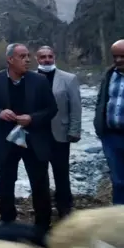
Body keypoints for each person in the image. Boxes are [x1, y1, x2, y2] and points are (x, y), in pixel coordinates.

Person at [0, 43, 57, 232]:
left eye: (28, 56)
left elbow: (52, 109)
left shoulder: (39, 81)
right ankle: (7, 221)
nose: (27, 60)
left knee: (39, 182)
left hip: (34, 139)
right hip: (6, 140)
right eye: (22, 56)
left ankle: (43, 225)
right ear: (10, 60)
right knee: (5, 181)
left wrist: (32, 118)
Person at [35, 45, 82, 218]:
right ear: (36, 59)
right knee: (39, 175)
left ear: (54, 57)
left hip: (60, 133)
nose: (46, 59)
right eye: (42, 57)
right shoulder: (30, 78)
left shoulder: (68, 79)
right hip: (37, 135)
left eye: (49, 56)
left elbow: (75, 107)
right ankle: (43, 210)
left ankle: (65, 208)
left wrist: (74, 130)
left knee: (61, 173)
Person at [94, 39, 124, 205]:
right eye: (115, 56)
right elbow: (101, 101)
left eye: (123, 56)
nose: (118, 60)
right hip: (112, 138)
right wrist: (99, 126)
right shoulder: (109, 75)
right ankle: (123, 222)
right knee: (119, 182)